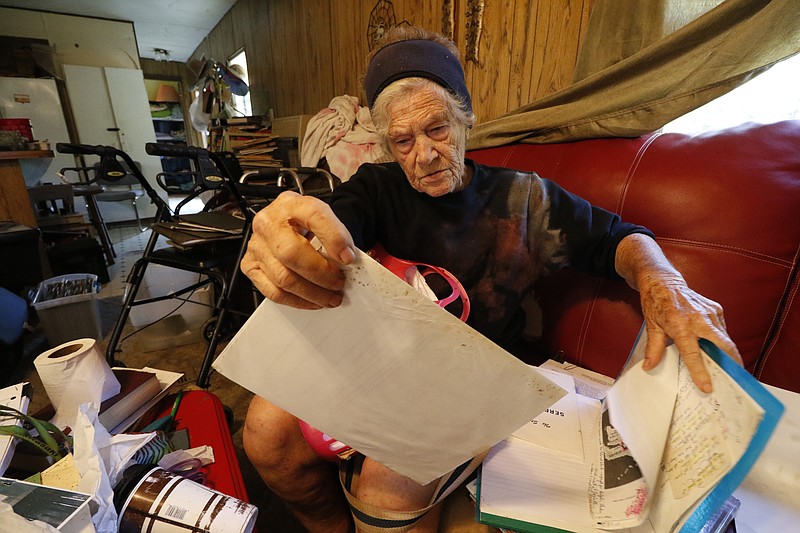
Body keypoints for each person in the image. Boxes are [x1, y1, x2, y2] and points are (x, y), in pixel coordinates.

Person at [240, 25, 743, 533]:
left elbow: (618, 240)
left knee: (388, 481)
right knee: (263, 430)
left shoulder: (526, 199)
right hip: (384, 361)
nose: (425, 154)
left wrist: (664, 282)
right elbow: (332, 222)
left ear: (466, 116)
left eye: (437, 128)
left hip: (477, 378)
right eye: (402, 140)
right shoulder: (377, 187)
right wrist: (294, 234)